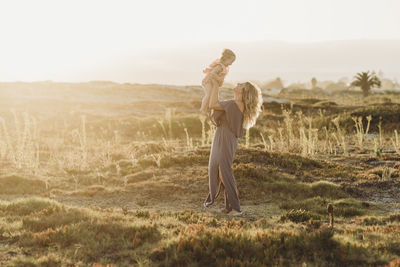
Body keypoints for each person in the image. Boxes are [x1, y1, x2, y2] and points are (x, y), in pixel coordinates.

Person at [203, 81, 263, 216]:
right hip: (222, 136)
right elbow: (215, 104)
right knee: (218, 170)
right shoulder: (234, 104)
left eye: (240, 84)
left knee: (224, 171)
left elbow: (213, 104)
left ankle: (236, 209)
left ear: (243, 92)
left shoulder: (234, 104)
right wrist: (214, 86)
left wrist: (216, 86)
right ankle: (230, 208)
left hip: (226, 138)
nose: (237, 83)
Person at [199, 49, 236, 116]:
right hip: (208, 81)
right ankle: (203, 109)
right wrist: (218, 78)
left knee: (213, 96)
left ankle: (207, 109)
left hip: (212, 82)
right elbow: (212, 73)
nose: (231, 63)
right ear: (226, 59)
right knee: (208, 94)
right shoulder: (219, 66)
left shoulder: (224, 67)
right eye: (231, 61)